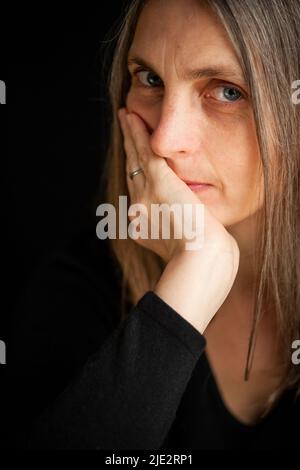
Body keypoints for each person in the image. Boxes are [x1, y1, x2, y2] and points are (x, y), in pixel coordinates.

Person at [10, 0, 300, 449]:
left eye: (227, 91)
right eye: (149, 79)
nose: (165, 139)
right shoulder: (82, 287)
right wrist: (191, 279)